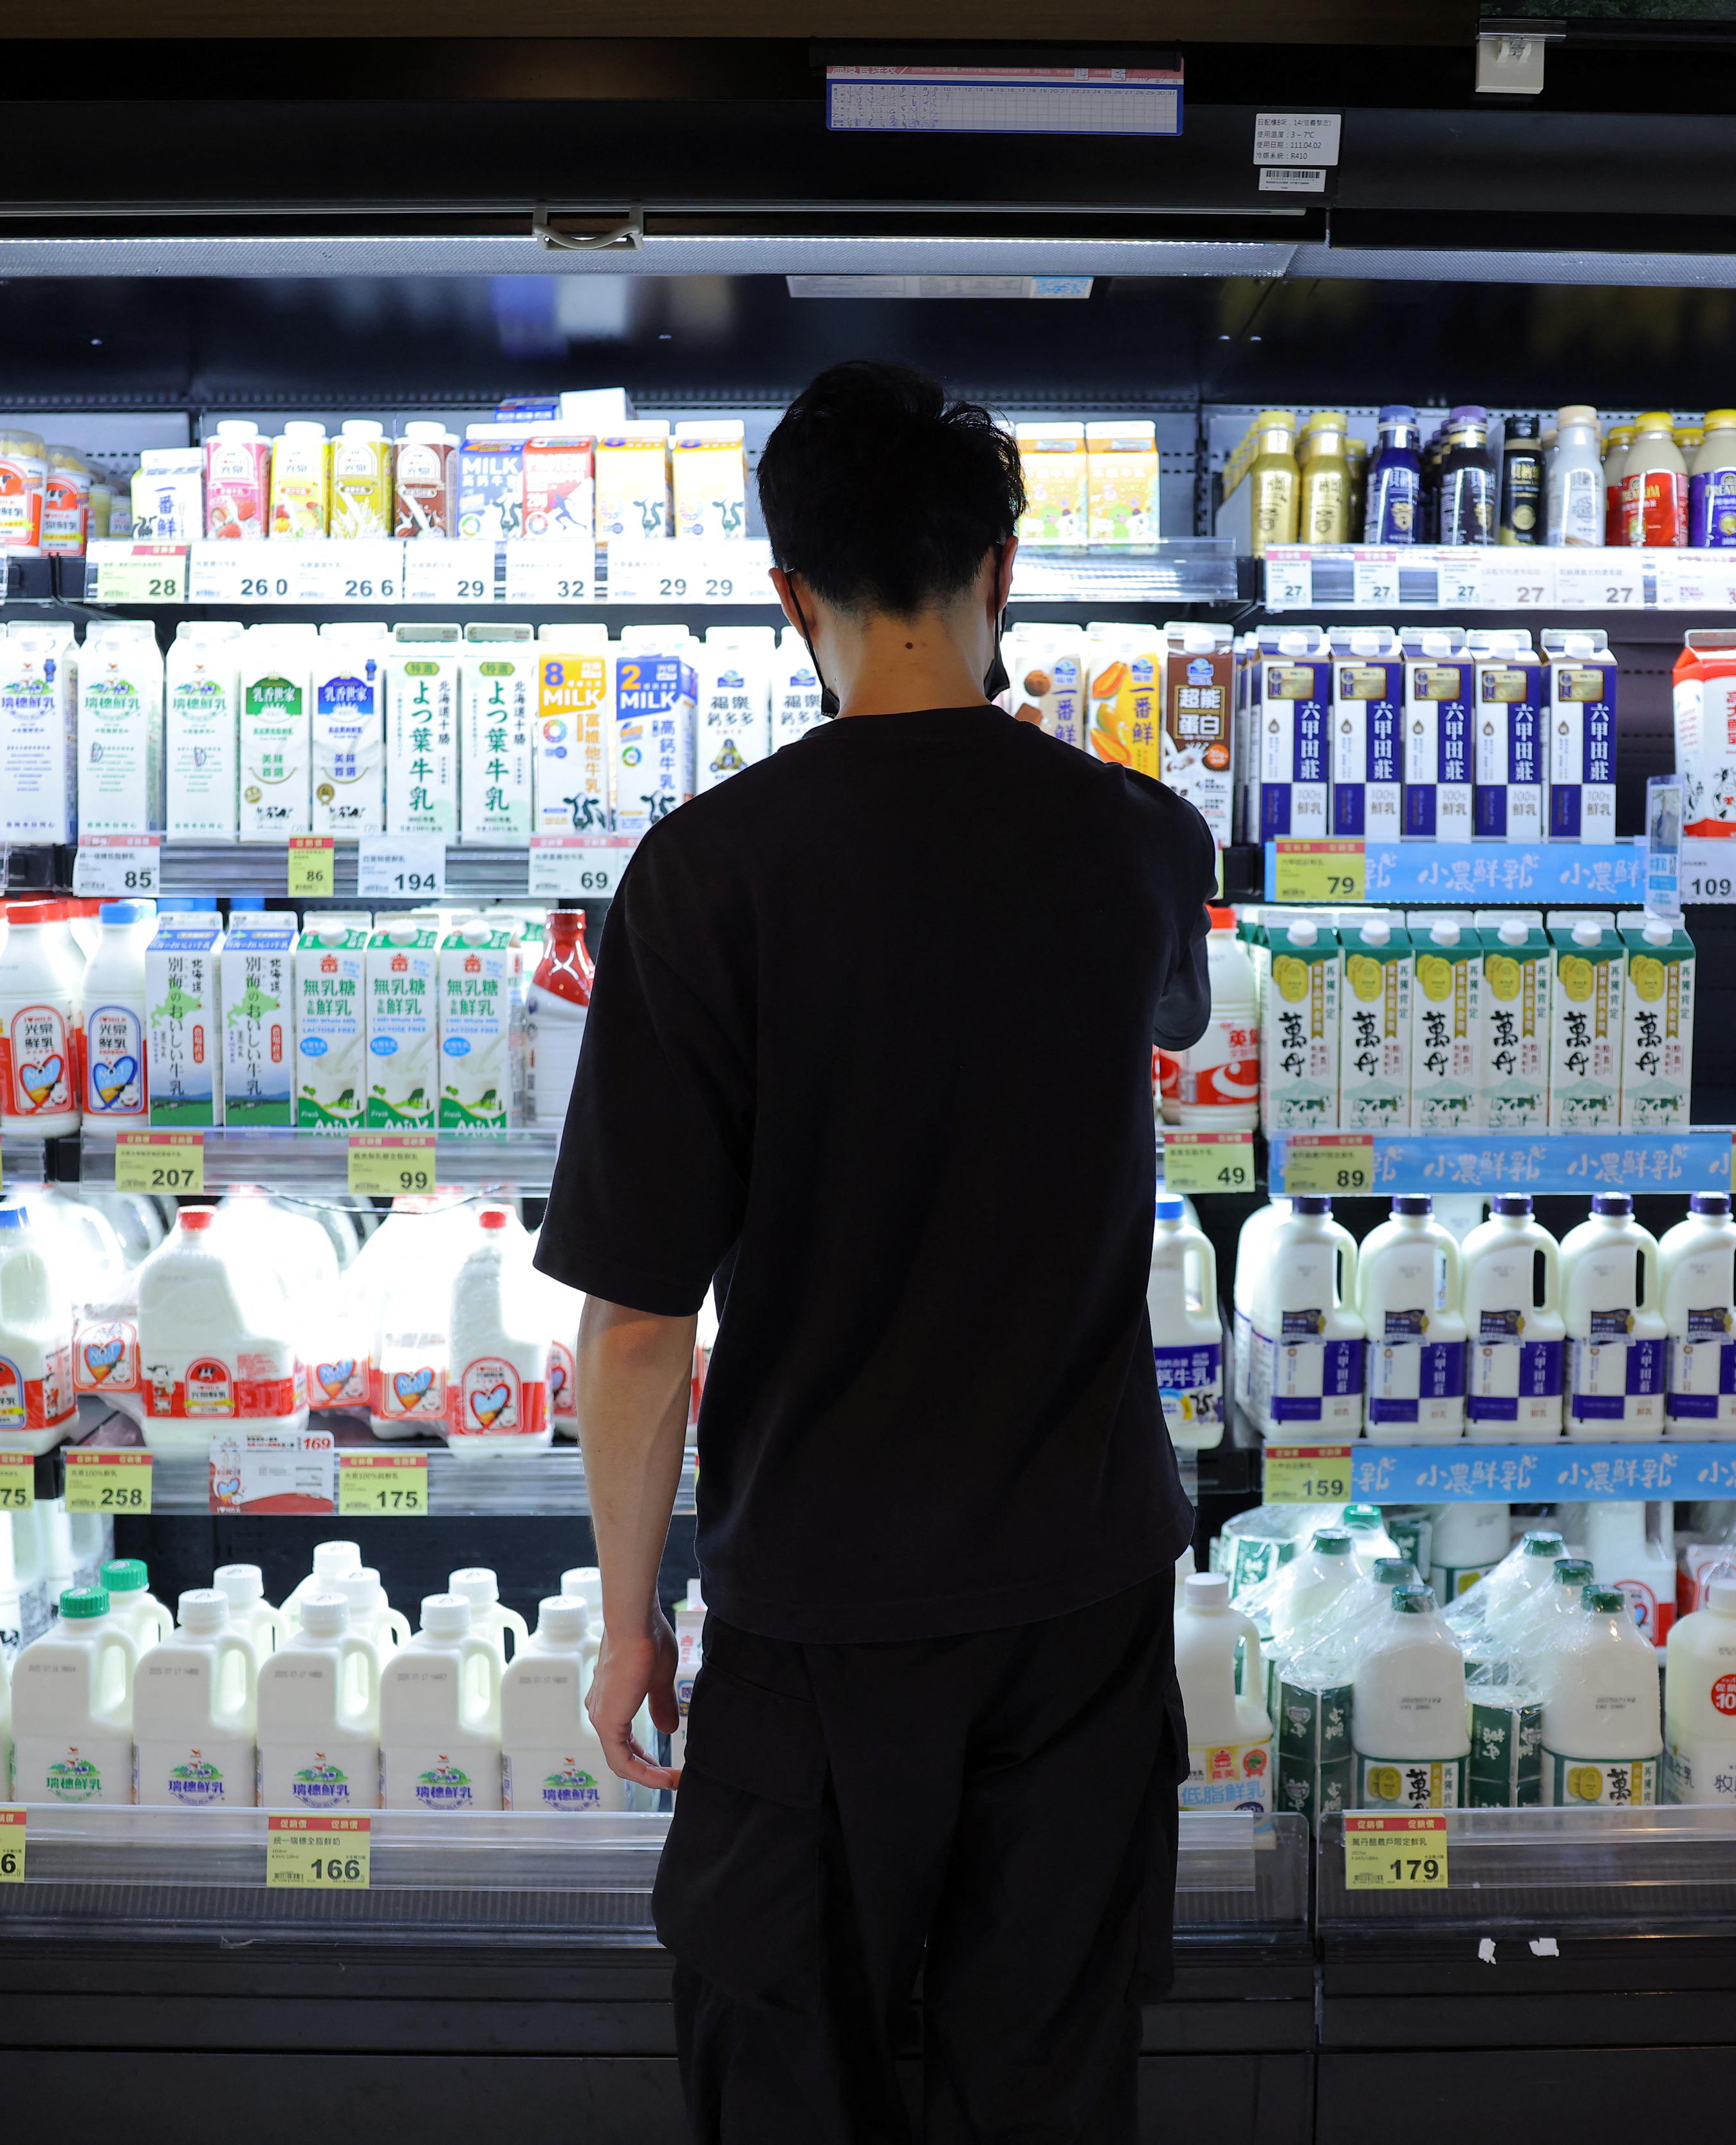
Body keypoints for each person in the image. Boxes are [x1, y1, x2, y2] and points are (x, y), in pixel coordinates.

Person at [535, 359, 1217, 2142]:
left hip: (816, 1600)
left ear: (789, 597)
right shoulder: (1140, 842)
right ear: (1005, 568)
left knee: (792, 2075)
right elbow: (1167, 1024)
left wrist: (626, 1623)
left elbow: (635, 1325)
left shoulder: (705, 877)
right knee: (1047, 2078)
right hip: (1078, 1593)